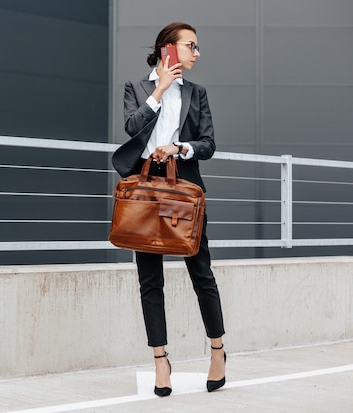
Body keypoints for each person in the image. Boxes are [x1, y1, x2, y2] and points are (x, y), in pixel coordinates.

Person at [112, 22, 226, 397]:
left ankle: (217, 352)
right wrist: (159, 90)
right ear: (168, 50)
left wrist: (179, 148)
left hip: (185, 189)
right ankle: (161, 362)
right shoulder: (137, 87)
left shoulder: (197, 92)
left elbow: (208, 143)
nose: (197, 52)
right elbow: (132, 127)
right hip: (145, 189)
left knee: (201, 273)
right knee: (150, 281)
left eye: (197, 46)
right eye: (191, 45)